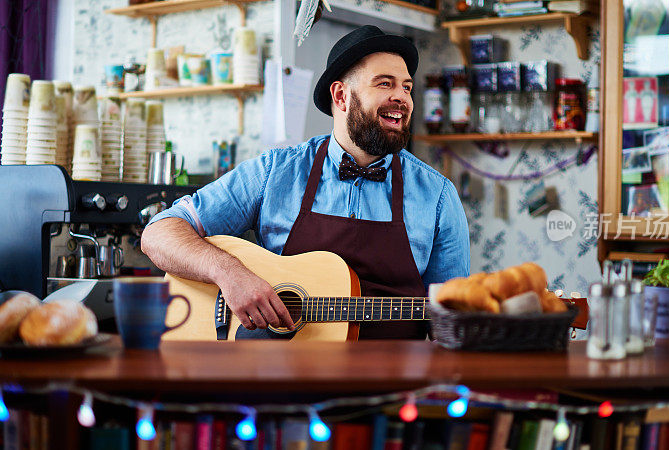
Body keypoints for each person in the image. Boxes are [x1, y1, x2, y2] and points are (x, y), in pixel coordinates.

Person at [141, 25, 470, 339]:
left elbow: (451, 326)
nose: (402, 97)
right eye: (385, 84)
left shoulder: (438, 195)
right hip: (284, 382)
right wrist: (231, 274)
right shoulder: (275, 172)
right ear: (341, 96)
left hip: (394, 385)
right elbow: (159, 233)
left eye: (407, 87)